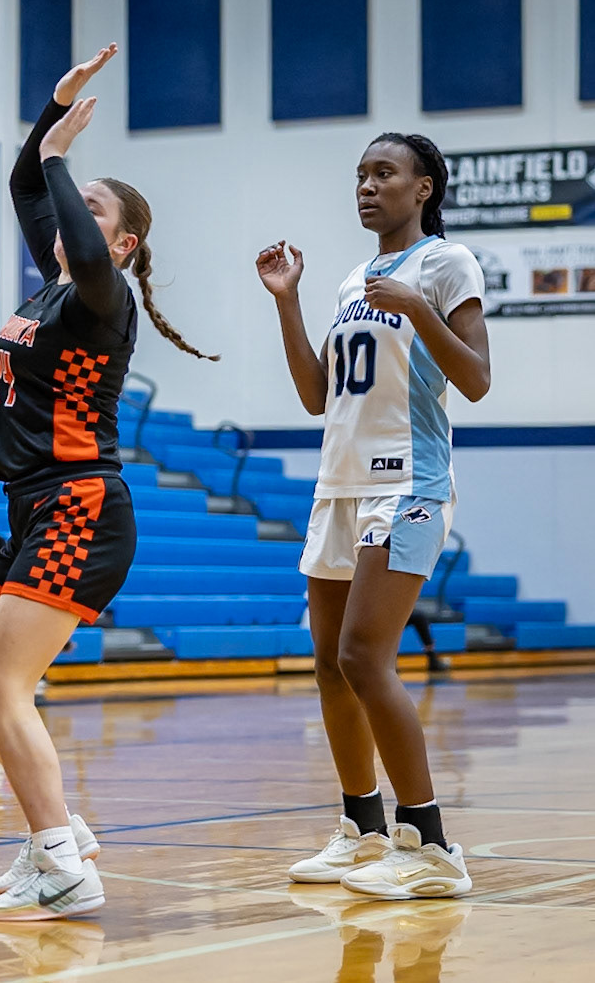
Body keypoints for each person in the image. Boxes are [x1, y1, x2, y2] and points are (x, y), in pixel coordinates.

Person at [0, 44, 217, 922]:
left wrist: (64, 158)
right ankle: (58, 829)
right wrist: (52, 116)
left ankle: (62, 866)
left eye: (94, 210)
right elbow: (28, 186)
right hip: (33, 508)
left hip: (80, 504)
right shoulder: (53, 288)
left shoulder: (103, 295)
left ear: (122, 243)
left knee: (2, 688)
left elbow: (54, 191)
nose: (71, 212)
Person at [255, 131, 490, 900]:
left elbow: (477, 380)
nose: (366, 185)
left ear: (423, 188)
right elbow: (315, 395)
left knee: (363, 657)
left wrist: (419, 306)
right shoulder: (353, 279)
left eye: (383, 173)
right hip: (339, 484)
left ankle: (431, 845)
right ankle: (362, 828)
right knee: (329, 662)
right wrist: (288, 302)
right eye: (360, 174)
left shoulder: (445, 264)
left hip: (408, 483)